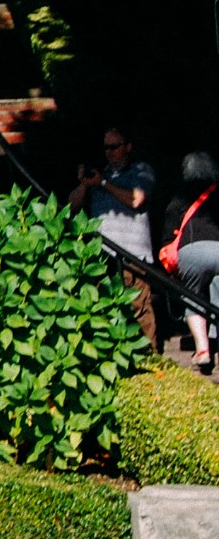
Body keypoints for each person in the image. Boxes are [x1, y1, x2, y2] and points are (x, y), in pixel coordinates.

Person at [70, 127, 158, 349]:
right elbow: (70, 207)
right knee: (106, 309)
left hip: (133, 255)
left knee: (139, 308)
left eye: (114, 146)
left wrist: (102, 184)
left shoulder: (141, 171)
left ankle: (151, 358)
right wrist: (84, 183)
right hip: (103, 257)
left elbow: (136, 199)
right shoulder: (101, 175)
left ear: (128, 147)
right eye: (106, 148)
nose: (109, 152)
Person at [159, 152, 219, 374]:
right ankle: (216, 340)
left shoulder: (180, 197)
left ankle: (203, 349)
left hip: (192, 249)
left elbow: (168, 235)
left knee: (193, 294)